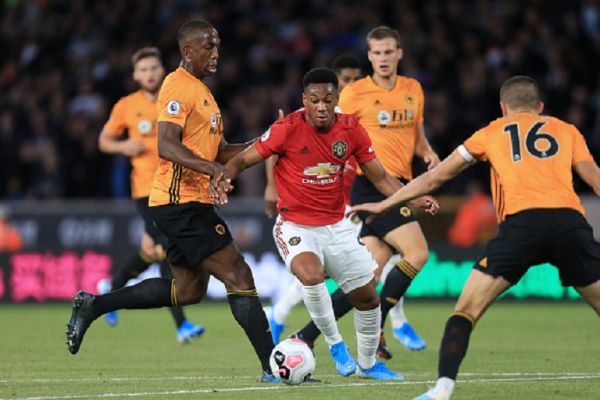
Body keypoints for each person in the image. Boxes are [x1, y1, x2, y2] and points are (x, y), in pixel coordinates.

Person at [350, 75, 600, 399]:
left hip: (521, 226)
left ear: (503, 106)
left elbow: (435, 178)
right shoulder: (567, 131)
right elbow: (595, 180)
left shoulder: (491, 132)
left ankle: (442, 389)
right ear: (539, 107)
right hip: (570, 225)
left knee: (465, 311)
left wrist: (384, 204)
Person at [66, 20, 279, 383]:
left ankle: (94, 304)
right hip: (179, 202)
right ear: (187, 51)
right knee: (238, 273)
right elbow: (166, 144)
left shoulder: (204, 93)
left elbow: (222, 151)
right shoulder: (177, 86)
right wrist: (212, 169)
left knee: (188, 290)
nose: (216, 54)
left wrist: (266, 142)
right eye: (208, 47)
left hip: (186, 203)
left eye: (218, 47)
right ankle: (273, 368)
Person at [226, 67, 438, 380]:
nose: (322, 106)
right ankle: (335, 345)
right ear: (304, 100)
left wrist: (412, 196)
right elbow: (243, 159)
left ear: (337, 99)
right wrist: (224, 177)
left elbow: (379, 176)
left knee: (367, 297)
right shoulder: (287, 128)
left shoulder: (351, 129)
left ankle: (368, 365)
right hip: (295, 225)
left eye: (328, 99)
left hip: (336, 226)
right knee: (311, 276)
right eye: (314, 100)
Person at [293, 26, 438, 359]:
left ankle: (306, 335)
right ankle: (381, 327)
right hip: (373, 184)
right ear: (369, 56)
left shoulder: (413, 89)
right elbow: (327, 133)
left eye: (389, 52)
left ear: (399, 53)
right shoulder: (355, 93)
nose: (383, 58)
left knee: (366, 280)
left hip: (402, 183)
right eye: (377, 52)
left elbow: (416, 134)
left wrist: (428, 153)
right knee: (417, 253)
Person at [96, 46, 204, 343]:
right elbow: (104, 141)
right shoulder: (126, 106)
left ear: (162, 70)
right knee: (166, 247)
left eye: (153, 68)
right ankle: (182, 325)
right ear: (134, 75)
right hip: (145, 191)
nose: (149, 74)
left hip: (175, 187)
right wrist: (123, 147)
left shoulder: (175, 100)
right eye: (143, 69)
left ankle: (112, 287)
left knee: (151, 249)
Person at [263, 54, 363, 344]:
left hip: (346, 205)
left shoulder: (356, 116)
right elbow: (274, 146)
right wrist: (271, 188)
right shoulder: (309, 115)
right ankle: (300, 328)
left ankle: (282, 317)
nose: (351, 84)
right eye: (346, 79)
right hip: (321, 209)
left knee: (345, 273)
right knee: (329, 274)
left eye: (356, 79)